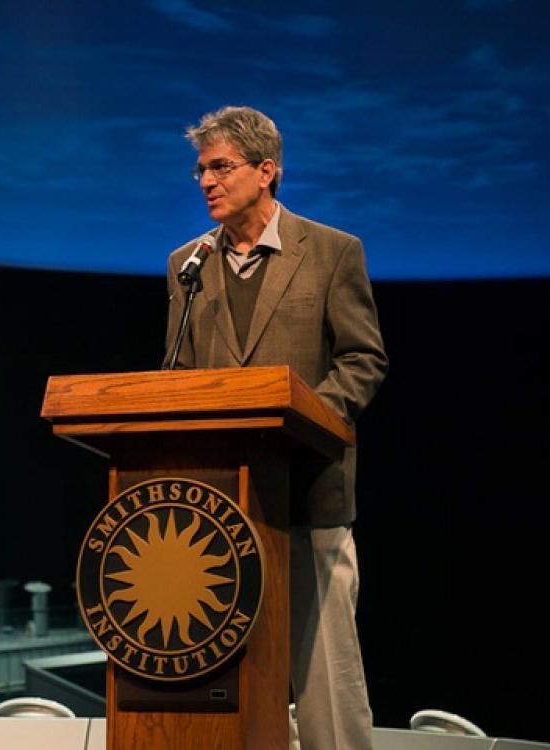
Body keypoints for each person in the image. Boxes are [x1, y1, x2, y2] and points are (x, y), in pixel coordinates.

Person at [163, 106, 388, 750]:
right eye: (200, 169)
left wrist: (305, 421)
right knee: (230, 673)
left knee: (324, 673)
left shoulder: (332, 252)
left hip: (309, 494)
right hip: (219, 506)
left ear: (266, 172)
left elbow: (363, 359)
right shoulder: (187, 265)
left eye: (220, 167)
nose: (206, 181)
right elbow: (177, 374)